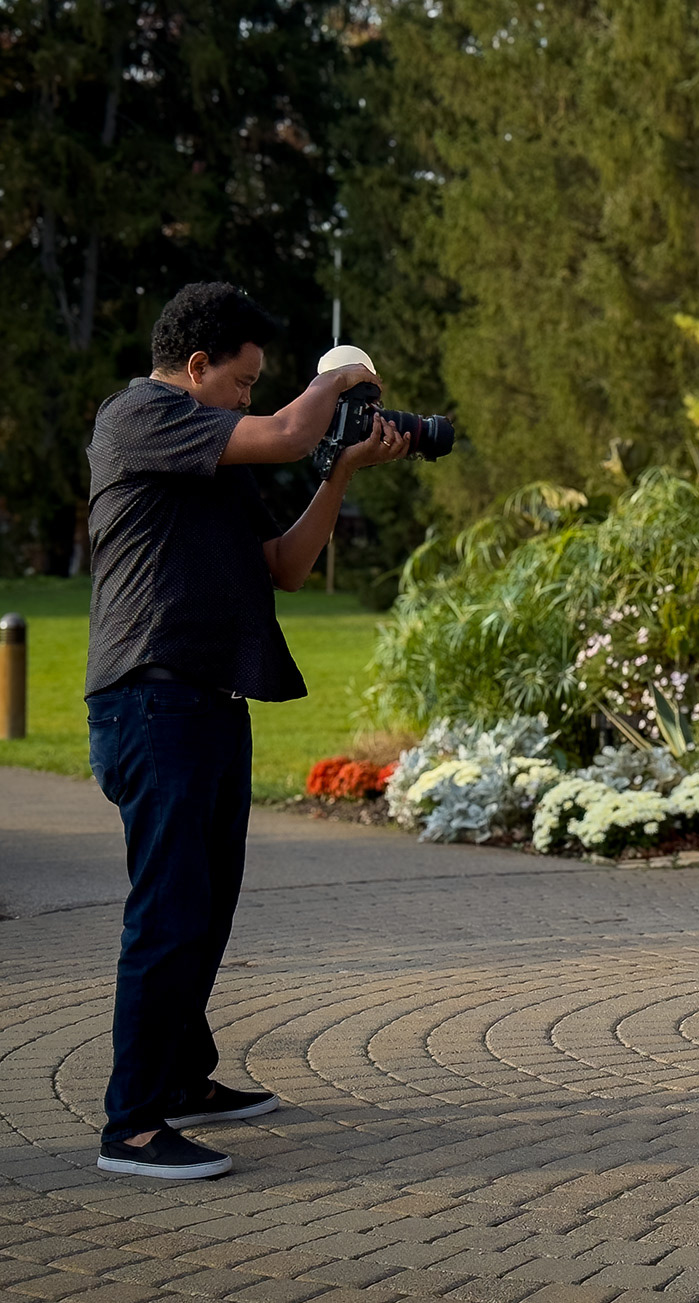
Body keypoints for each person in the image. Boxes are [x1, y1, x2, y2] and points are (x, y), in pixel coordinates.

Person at [87, 282, 409, 1179]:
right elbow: (288, 430)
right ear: (194, 369)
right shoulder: (138, 416)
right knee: (167, 916)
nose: (249, 398)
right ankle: (132, 1128)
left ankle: (181, 1081)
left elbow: (286, 569)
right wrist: (341, 374)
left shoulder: (212, 457)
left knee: (202, 912)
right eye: (241, 381)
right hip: (153, 703)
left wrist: (341, 472)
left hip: (207, 707)